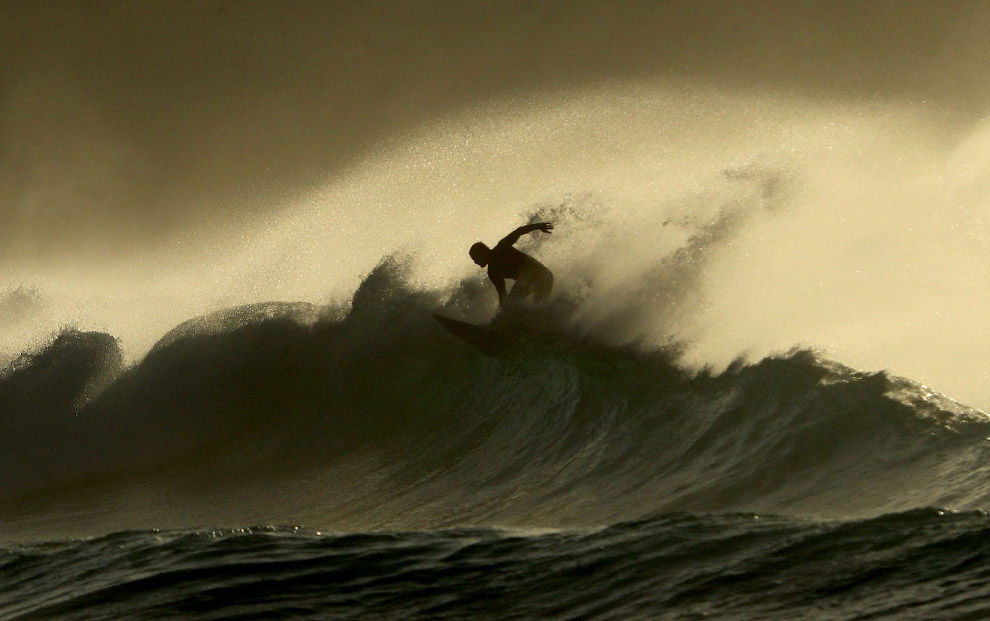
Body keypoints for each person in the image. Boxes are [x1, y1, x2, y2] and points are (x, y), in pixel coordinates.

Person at [469, 222, 554, 307]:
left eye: (475, 258)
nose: (475, 262)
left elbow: (519, 231)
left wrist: (538, 226)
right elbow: (502, 295)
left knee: (515, 303)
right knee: (512, 303)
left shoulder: (502, 247)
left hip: (542, 275)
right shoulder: (493, 273)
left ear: (483, 253)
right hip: (531, 280)